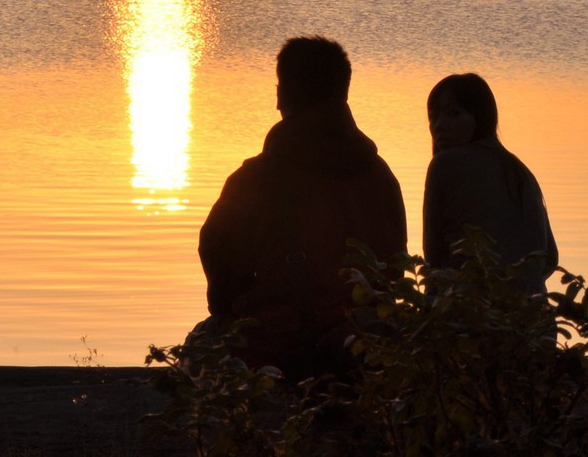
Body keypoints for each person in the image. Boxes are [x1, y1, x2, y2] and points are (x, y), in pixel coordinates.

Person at [197, 36, 407, 375]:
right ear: (344, 94)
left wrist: (242, 309)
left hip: (278, 348)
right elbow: (394, 269)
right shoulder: (382, 177)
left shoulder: (256, 178)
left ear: (282, 96)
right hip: (363, 345)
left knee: (200, 344)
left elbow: (219, 265)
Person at [422, 72, 558, 296]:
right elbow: (550, 258)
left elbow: (433, 257)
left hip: (474, 318)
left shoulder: (445, 165)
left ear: (480, 117)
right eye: (434, 117)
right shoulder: (520, 170)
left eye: (453, 113)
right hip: (535, 321)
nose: (440, 125)